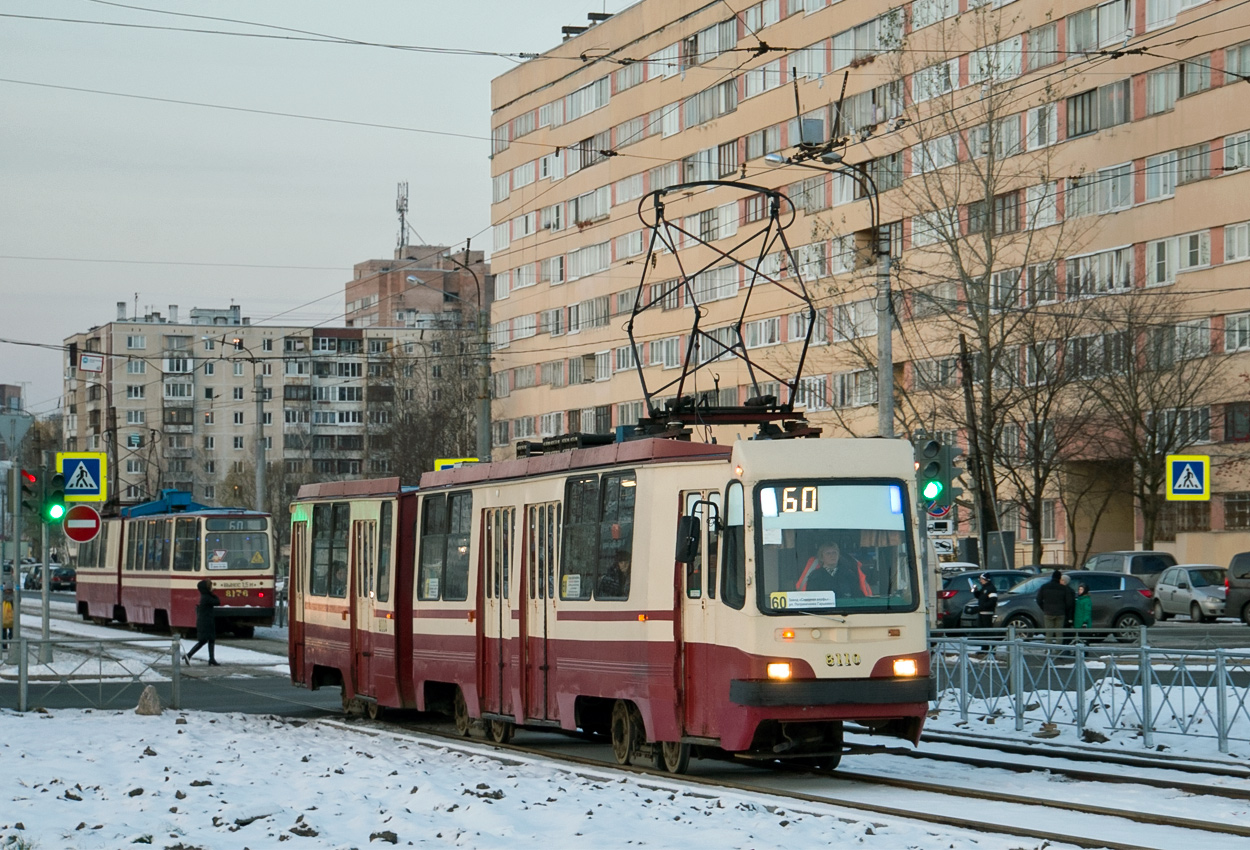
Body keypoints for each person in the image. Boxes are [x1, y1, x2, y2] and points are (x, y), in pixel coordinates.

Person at [798, 540, 872, 597]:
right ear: (821, 557)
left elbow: (857, 596)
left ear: (838, 555)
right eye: (828, 553)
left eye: (834, 553)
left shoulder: (849, 574)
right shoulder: (814, 576)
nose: (832, 556)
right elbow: (811, 599)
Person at [184, 579, 221, 666]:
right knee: (203, 641)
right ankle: (188, 655)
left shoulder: (205, 596)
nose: (211, 588)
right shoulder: (206, 597)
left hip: (206, 621)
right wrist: (213, 593)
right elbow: (217, 602)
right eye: (210, 586)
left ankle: (211, 659)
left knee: (211, 639)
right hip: (205, 622)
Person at [1037, 569, 1070, 643]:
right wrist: (1064, 609)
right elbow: (1068, 602)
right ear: (1059, 578)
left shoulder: (1044, 587)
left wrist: (1044, 608)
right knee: (1059, 633)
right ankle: (1058, 648)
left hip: (1048, 612)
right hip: (1060, 613)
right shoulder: (1063, 588)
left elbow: (1038, 600)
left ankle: (1048, 648)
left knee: (1049, 633)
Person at [973, 574, 998, 654]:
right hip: (982, 612)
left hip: (987, 613)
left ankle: (991, 648)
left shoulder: (991, 588)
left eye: (981, 579)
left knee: (988, 631)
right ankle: (984, 648)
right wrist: (976, 591)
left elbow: (993, 601)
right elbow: (981, 597)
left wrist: (983, 606)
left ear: (986, 579)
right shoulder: (984, 588)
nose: (980, 581)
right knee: (982, 631)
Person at [1, 587, 13, 652]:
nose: (9, 591)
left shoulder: (2, 595)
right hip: (10, 618)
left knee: (7, 633)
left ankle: (7, 647)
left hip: (5, 618)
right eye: (9, 589)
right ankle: (6, 647)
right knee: (5, 633)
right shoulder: (13, 596)